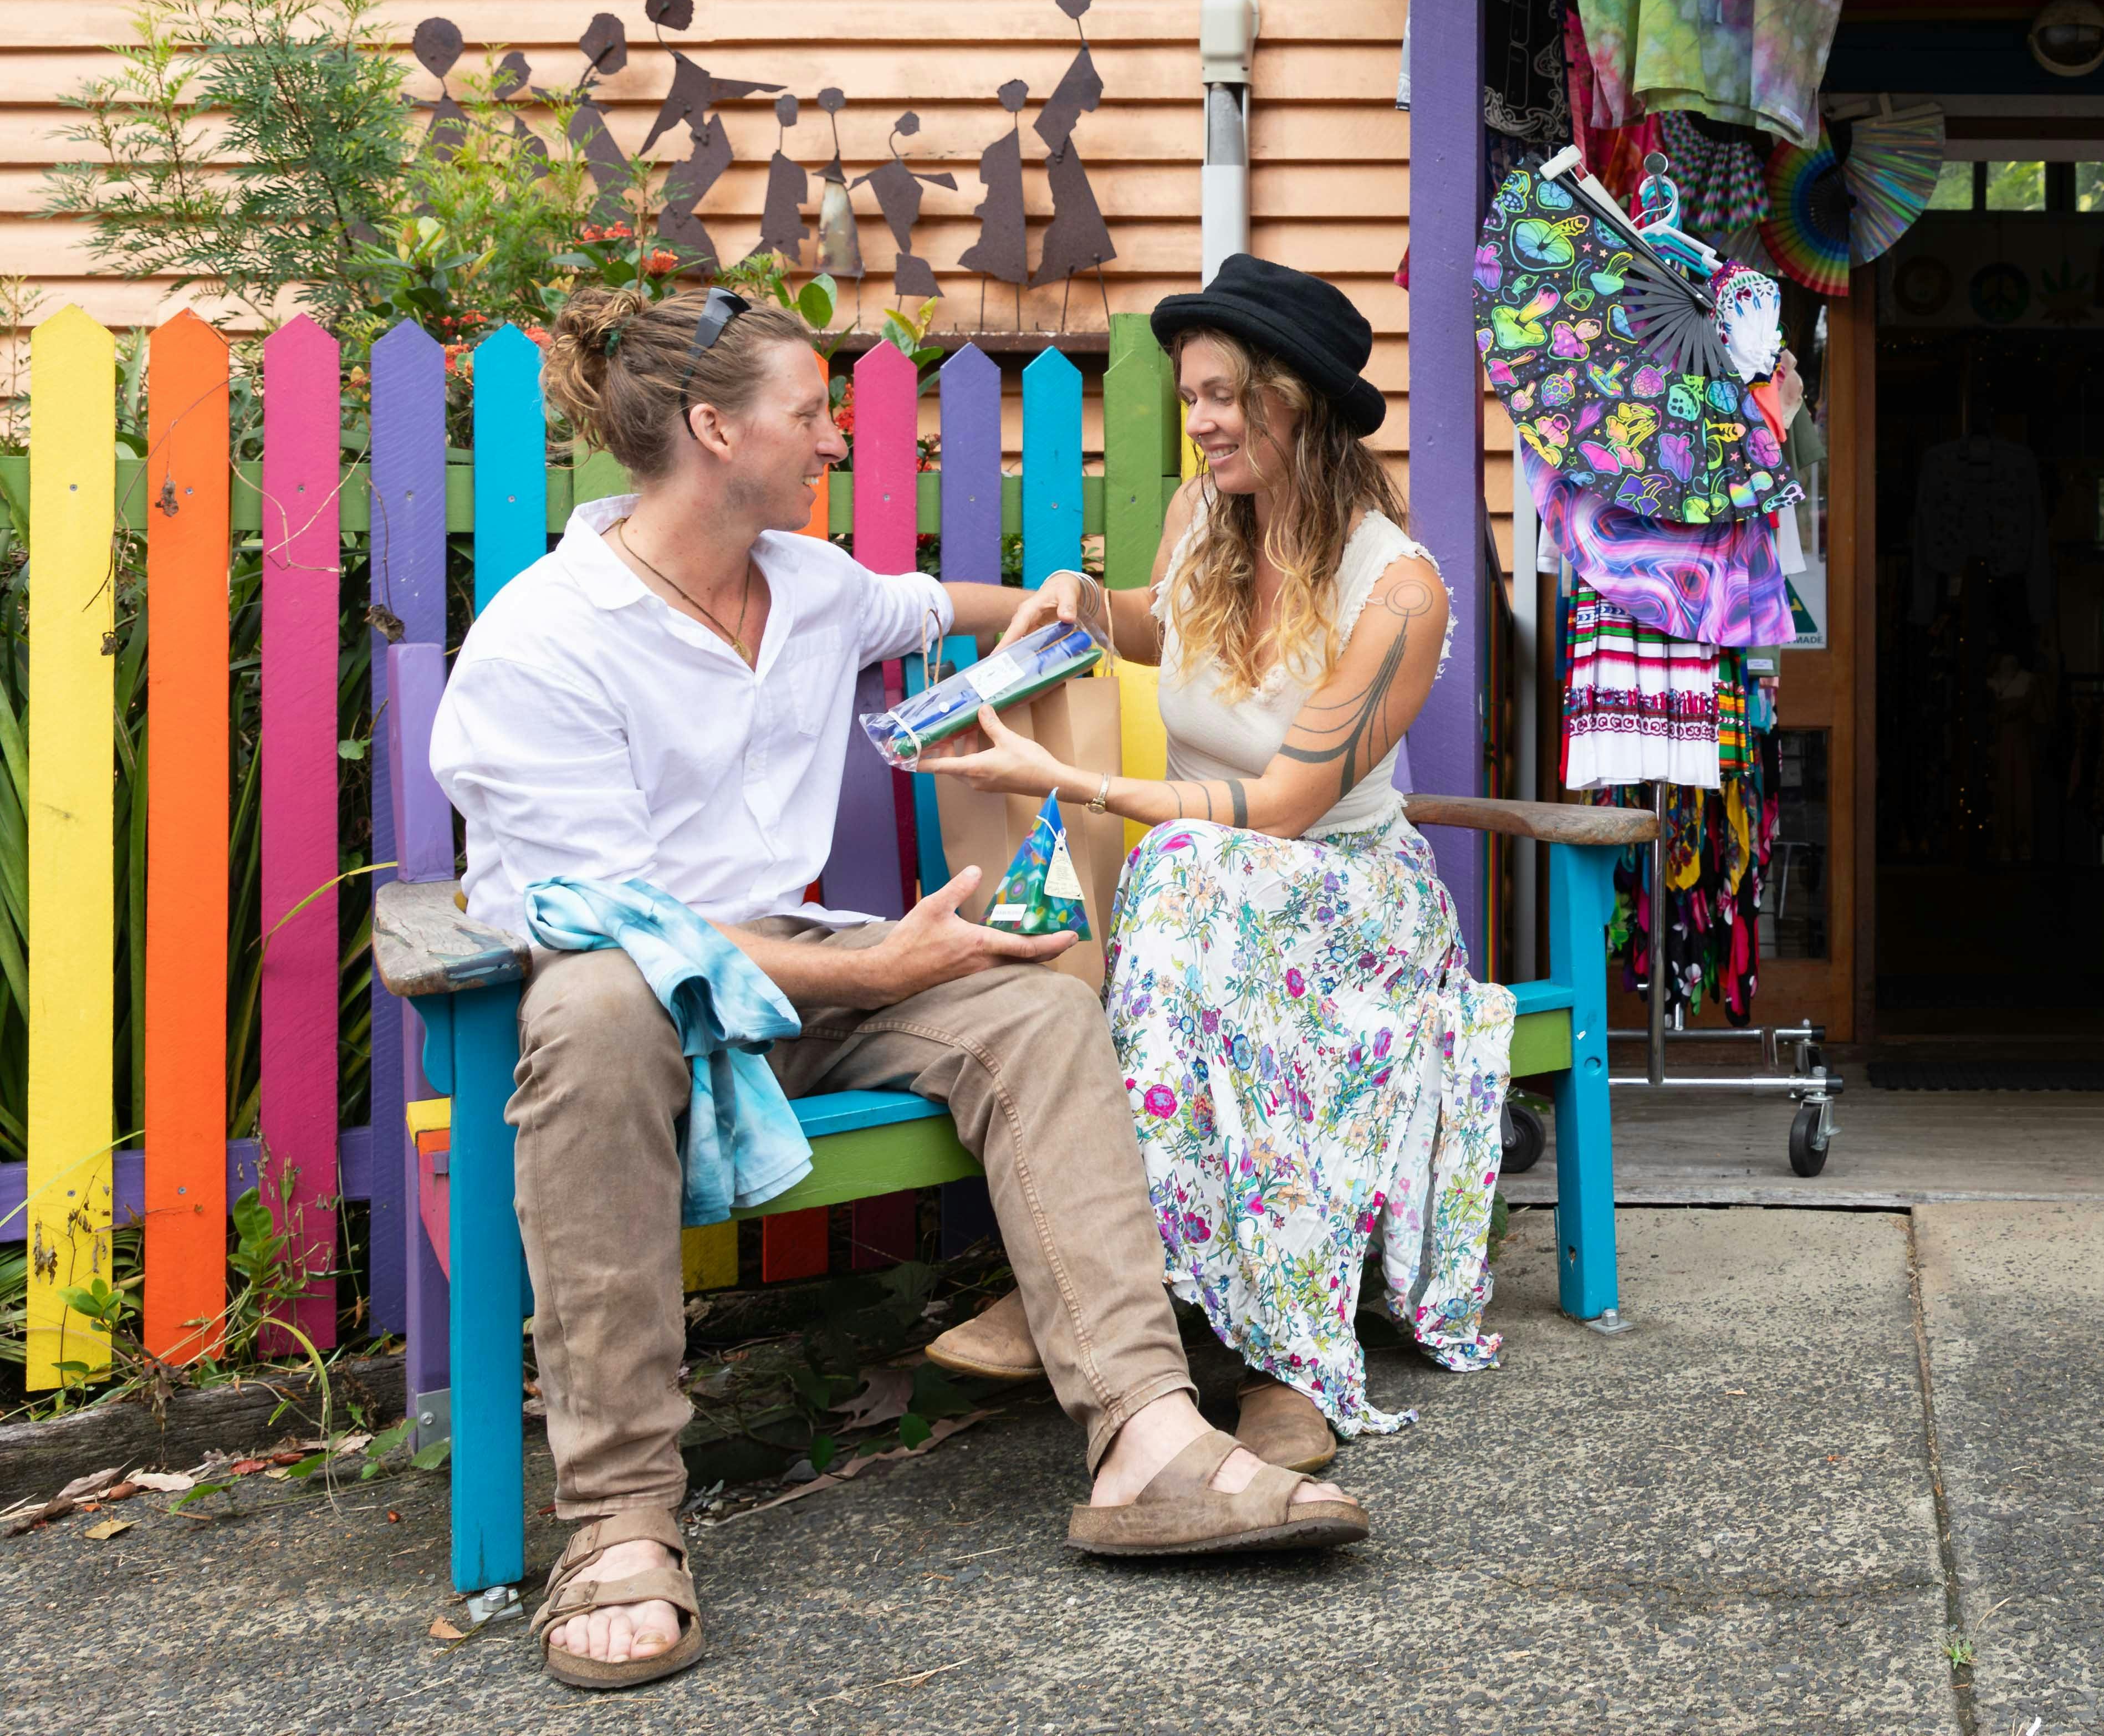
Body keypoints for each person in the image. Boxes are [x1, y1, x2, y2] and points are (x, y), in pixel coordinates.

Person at [432, 284, 1365, 1694]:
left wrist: (1067, 608)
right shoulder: (545, 639)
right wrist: (877, 958)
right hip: (648, 996)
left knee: (1042, 995)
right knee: (594, 1002)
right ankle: (620, 1517)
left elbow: (951, 604)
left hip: (817, 973)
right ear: (713, 428)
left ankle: (1143, 1434)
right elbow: (616, 924)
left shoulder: (804, 580)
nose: (831, 439)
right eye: (809, 413)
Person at [914, 253, 1518, 1452]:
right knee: (1193, 899)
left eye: (1226, 396)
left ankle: (1257, 1350)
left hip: (1350, 905)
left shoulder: (1397, 591)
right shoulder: (1205, 518)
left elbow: (1287, 804)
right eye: (1191, 396)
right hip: (1214, 906)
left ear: (1299, 401)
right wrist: (1091, 600)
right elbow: (1167, 625)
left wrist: (1070, 780)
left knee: (1189, 880)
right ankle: (1219, 1332)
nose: (1201, 422)